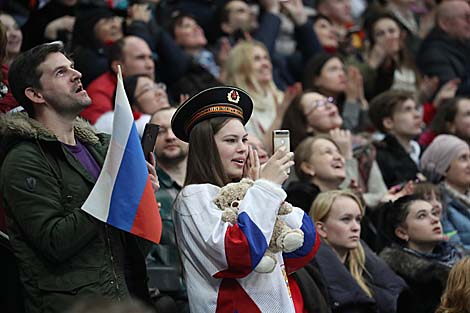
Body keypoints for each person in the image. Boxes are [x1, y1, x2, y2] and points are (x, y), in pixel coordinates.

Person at [0, 41, 159, 313]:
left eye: (72, 68)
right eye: (60, 72)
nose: (77, 74)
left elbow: (134, 247)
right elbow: (55, 242)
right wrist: (111, 189)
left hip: (126, 297)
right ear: (35, 94)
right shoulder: (24, 159)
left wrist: (140, 198)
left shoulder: (102, 147)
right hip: (72, 305)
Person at [170, 86, 319, 312]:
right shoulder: (193, 196)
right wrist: (266, 189)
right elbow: (237, 255)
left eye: (244, 140)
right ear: (206, 146)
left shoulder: (255, 193)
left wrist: (263, 190)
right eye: (231, 140)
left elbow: (304, 246)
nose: (243, 149)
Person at [301, 190, 406, 312]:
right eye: (346, 219)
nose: (356, 227)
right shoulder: (311, 273)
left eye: (358, 219)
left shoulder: (366, 268)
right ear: (321, 228)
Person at [379, 195, 463, 313]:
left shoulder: (459, 257)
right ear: (402, 233)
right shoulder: (400, 278)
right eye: (422, 216)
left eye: (433, 213)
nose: (435, 220)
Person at [147, 107, 189, 312]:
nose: (171, 137)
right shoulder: (144, 189)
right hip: (169, 299)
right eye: (161, 131)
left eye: (175, 129)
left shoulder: (211, 184)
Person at [81, 36, 156, 126]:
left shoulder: (153, 84)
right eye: (140, 58)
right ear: (117, 66)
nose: (150, 65)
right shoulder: (99, 93)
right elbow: (102, 132)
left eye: (150, 57)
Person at [420, 134, 470, 250]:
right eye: (463, 158)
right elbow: (455, 249)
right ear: (444, 169)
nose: (469, 164)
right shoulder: (438, 203)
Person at [368, 90, 422, 188]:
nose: (417, 115)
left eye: (415, 108)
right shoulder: (380, 157)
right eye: (407, 110)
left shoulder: (422, 151)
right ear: (388, 123)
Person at [417, 0, 470, 96]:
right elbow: (452, 91)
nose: (469, 22)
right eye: (466, 17)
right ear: (445, 23)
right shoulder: (433, 53)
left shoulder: (464, 43)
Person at [286, 135, 346, 212]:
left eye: (339, 152)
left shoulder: (349, 198)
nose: (338, 157)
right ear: (308, 167)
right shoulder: (298, 200)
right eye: (328, 152)